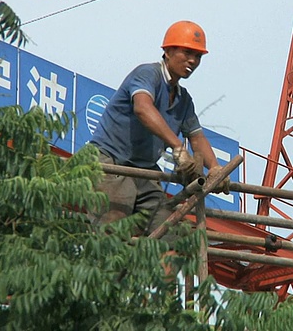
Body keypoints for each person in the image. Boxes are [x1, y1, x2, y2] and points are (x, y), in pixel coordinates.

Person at [89, 20, 229, 235]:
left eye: (198, 56)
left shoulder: (184, 100)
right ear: (168, 51)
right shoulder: (147, 75)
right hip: (111, 161)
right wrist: (178, 148)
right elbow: (143, 108)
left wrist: (215, 168)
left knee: (164, 227)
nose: (192, 60)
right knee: (114, 220)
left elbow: (197, 137)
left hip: (144, 170)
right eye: (187, 52)